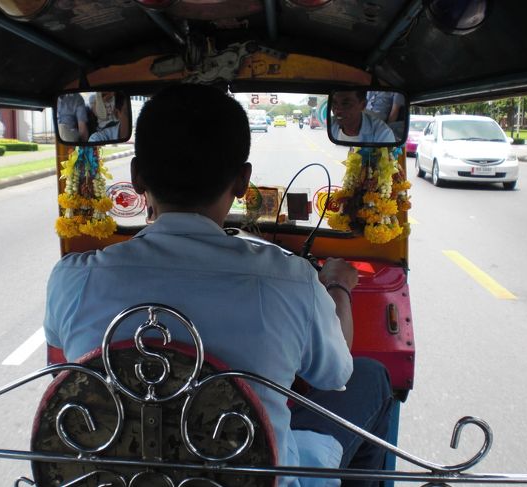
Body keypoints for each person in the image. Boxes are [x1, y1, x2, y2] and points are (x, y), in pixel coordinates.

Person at [44, 84, 393, 487]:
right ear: (244, 181)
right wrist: (338, 287)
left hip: (110, 478)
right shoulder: (291, 280)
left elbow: (61, 358)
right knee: (371, 376)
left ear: (137, 176)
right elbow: (335, 375)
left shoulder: (72, 278)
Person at [330, 90, 395, 144]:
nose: (337, 111)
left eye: (346, 104)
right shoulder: (330, 125)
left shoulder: (382, 133)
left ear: (363, 105)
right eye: (334, 103)